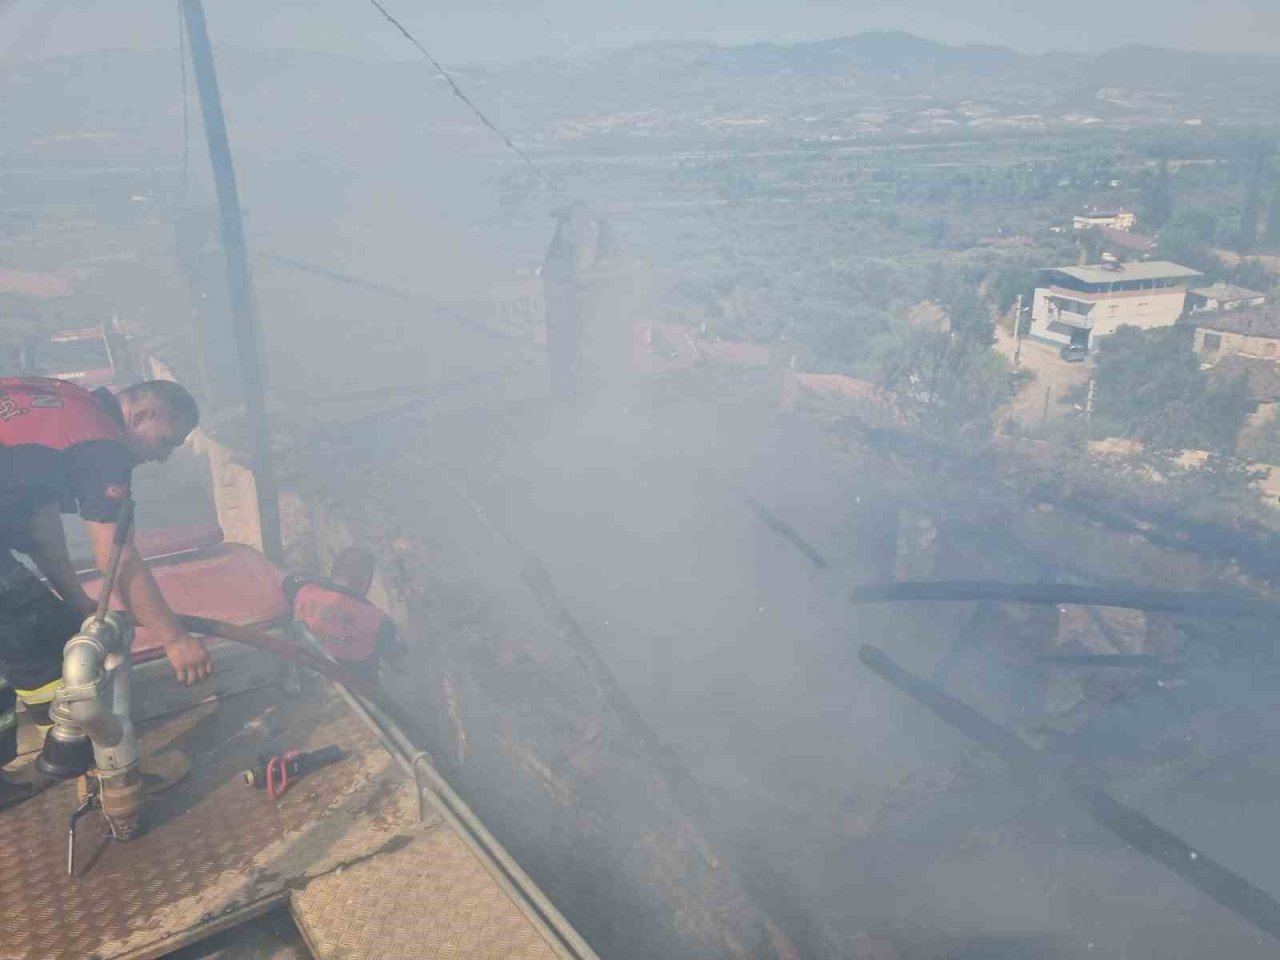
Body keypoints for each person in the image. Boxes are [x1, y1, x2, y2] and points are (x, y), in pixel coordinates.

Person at [0, 377, 213, 800]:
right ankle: (108, 777)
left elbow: (39, 526)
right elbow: (117, 559)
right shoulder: (100, 440)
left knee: (28, 635)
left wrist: (77, 601)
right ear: (142, 414)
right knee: (54, 652)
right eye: (166, 441)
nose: (162, 457)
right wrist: (174, 639)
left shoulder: (64, 408)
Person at [283, 547, 403, 687]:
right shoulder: (378, 621)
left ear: (333, 572)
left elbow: (288, 581)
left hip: (308, 685)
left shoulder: (302, 591)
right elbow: (402, 666)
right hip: (356, 697)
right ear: (366, 580)